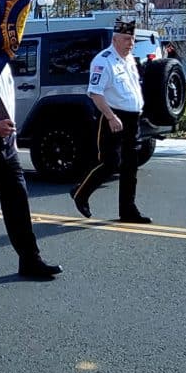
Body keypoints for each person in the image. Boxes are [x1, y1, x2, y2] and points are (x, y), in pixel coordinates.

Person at [0, 64, 63, 278]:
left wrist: (10, 136)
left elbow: (7, 100)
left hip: (5, 142)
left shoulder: (1, 62)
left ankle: (30, 260)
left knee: (17, 200)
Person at [71, 18, 150, 223]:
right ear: (115, 39)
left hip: (132, 118)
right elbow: (95, 93)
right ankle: (81, 193)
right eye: (126, 39)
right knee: (110, 162)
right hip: (112, 116)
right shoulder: (103, 60)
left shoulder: (130, 59)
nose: (130, 43)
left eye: (132, 39)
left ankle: (128, 210)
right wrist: (110, 116)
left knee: (130, 165)